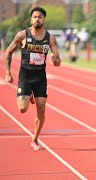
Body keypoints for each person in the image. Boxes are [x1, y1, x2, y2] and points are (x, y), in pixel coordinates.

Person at [4, 7, 61, 150]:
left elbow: (58, 62)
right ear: (31, 19)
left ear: (44, 19)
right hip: (25, 76)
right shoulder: (22, 35)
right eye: (35, 17)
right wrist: (7, 72)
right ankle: (29, 95)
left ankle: (35, 139)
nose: (37, 19)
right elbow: (9, 52)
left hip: (40, 77)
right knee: (23, 109)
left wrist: (55, 59)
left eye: (40, 17)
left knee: (41, 109)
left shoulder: (50, 38)